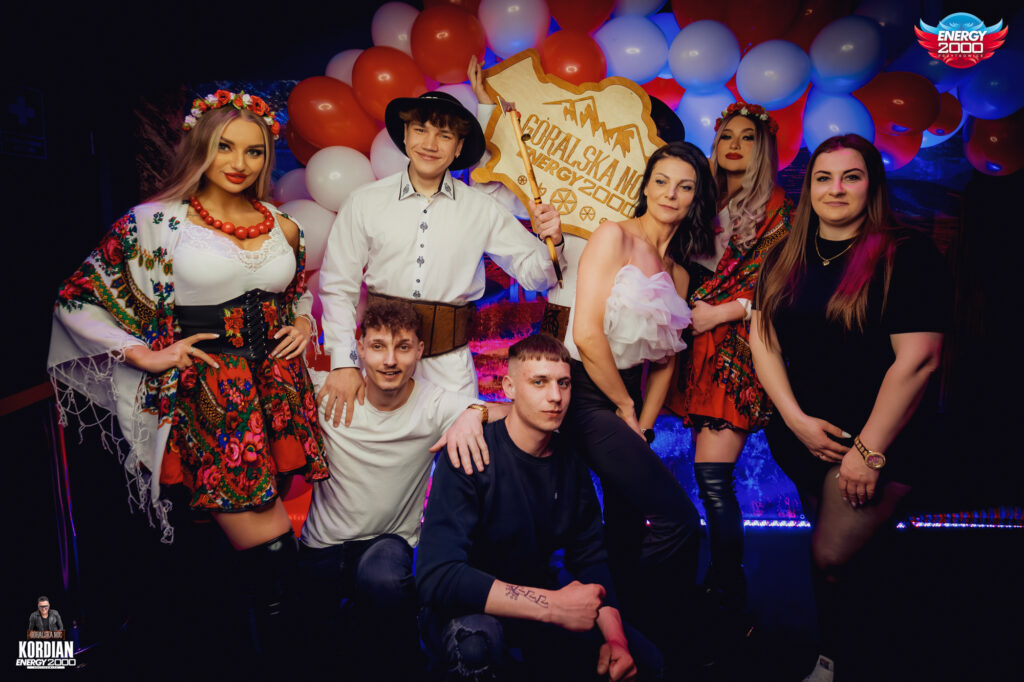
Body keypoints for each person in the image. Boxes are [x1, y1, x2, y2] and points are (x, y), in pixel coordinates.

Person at [48, 90, 327, 662]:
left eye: (254, 151)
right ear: (200, 145)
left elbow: (296, 291)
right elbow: (74, 300)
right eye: (225, 146)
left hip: (277, 397)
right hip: (214, 403)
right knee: (272, 552)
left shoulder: (283, 224)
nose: (239, 163)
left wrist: (303, 321)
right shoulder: (155, 223)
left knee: (253, 557)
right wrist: (141, 354)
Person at [749, 134, 949, 682]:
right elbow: (763, 340)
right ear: (809, 188)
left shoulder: (908, 255)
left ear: (872, 186)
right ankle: (834, 657)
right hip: (807, 437)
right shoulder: (786, 255)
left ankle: (864, 656)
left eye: (851, 177)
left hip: (881, 440)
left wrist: (868, 451)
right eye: (823, 177)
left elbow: (919, 360)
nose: (835, 189)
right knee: (847, 561)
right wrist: (795, 421)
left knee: (832, 556)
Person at [317, 88, 566, 428]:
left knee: (456, 454)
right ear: (405, 136)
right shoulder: (363, 202)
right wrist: (344, 363)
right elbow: (338, 286)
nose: (430, 144)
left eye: (445, 135)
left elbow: (538, 275)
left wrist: (553, 241)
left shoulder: (482, 209)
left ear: (459, 147)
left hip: (450, 372)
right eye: (420, 130)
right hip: (378, 366)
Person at [417, 334, 660, 681]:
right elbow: (438, 576)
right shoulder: (469, 449)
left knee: (647, 661)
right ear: (510, 387)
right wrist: (553, 606)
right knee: (476, 648)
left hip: (536, 601)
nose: (555, 396)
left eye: (563, 383)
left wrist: (615, 640)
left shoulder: (570, 461)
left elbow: (590, 558)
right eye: (539, 382)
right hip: (466, 609)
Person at [299, 299, 510, 680]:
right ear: (360, 348)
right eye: (378, 346)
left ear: (420, 350)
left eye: (403, 347)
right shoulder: (328, 390)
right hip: (322, 550)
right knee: (313, 653)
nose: (390, 360)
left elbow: (511, 413)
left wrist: (474, 412)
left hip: (387, 548)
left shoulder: (432, 402)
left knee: (383, 583)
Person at [563, 141, 715, 670]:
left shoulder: (680, 273)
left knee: (626, 523)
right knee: (679, 520)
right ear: (646, 185)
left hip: (627, 398)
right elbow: (586, 334)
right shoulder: (614, 236)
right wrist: (625, 408)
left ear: (696, 198)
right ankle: (664, 630)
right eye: (662, 181)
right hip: (585, 389)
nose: (671, 194)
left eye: (685, 186)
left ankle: (624, 636)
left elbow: (666, 363)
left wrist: (642, 427)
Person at [665, 102, 793, 637]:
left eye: (748, 137)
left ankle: (729, 595)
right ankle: (707, 587)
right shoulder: (700, 198)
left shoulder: (780, 209)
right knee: (705, 478)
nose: (735, 145)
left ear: (765, 148)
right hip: (687, 342)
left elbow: (782, 286)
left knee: (714, 480)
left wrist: (723, 311)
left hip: (736, 346)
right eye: (726, 137)